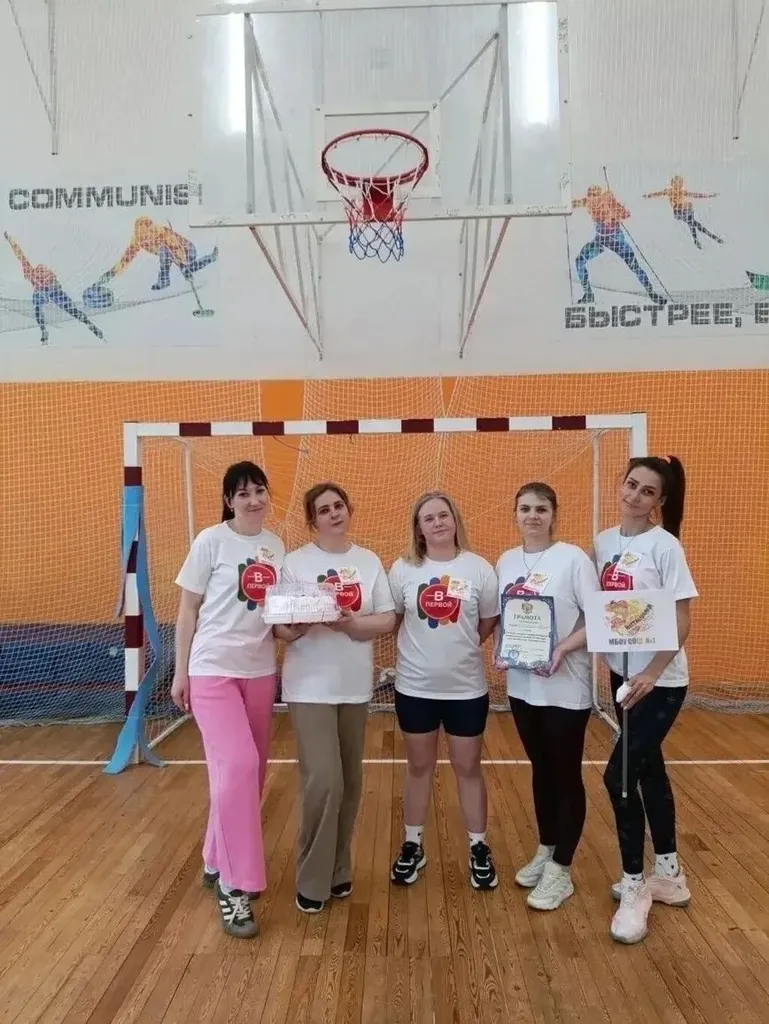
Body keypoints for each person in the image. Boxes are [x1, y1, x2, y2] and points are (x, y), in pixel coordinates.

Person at [171, 461, 284, 939]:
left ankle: (216, 857)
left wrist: (306, 623)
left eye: (259, 490)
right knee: (237, 765)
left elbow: (277, 615)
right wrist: (180, 671)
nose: (253, 500)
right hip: (211, 670)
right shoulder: (210, 541)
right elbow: (187, 609)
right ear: (228, 501)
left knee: (247, 775)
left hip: (259, 672)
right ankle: (235, 886)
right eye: (243, 493)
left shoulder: (276, 546)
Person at [276, 483, 396, 914]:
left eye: (338, 506)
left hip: (354, 685)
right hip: (309, 686)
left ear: (349, 509)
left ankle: (338, 868)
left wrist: (351, 624)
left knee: (350, 781)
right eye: (324, 510)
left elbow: (387, 619)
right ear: (313, 520)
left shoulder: (368, 561)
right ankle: (312, 878)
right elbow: (279, 627)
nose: (333, 514)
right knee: (324, 779)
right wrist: (303, 623)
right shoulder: (294, 563)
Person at [593, 455, 698, 945]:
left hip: (660, 683)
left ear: (660, 501)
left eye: (647, 491)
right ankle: (670, 875)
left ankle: (635, 885)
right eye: (631, 484)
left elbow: (681, 620)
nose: (634, 495)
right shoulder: (604, 542)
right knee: (649, 770)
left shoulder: (666, 546)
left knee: (618, 776)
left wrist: (653, 673)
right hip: (623, 678)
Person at [388, 492, 499, 891]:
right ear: (418, 528)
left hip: (466, 690)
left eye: (443, 515)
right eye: (428, 518)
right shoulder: (402, 569)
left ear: (455, 520)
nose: (437, 522)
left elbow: (487, 622)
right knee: (419, 767)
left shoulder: (479, 568)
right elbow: (393, 620)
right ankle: (412, 845)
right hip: (414, 688)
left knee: (468, 769)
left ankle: (478, 847)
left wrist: (460, 650)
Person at [496, 483, 600, 911]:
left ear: (554, 514)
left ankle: (562, 869)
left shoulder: (573, 559)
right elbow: (507, 618)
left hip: (565, 687)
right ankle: (547, 847)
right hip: (523, 687)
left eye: (541, 508)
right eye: (525, 508)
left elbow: (600, 618)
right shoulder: (506, 560)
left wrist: (562, 648)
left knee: (565, 774)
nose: (533, 516)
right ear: (515, 514)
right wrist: (503, 651)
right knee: (541, 770)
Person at [4, 231, 105, 345]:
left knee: (59, 308)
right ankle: (85, 324)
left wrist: (10, 240)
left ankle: (47, 330)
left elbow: (20, 255)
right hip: (49, 290)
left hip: (51, 290)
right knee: (50, 307)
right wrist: (10, 240)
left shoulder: (33, 272)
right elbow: (20, 254)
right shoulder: (35, 274)